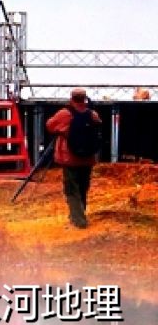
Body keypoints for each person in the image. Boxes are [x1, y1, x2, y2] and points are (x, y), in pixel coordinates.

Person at [46, 89, 103, 229]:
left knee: (72, 189)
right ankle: (79, 214)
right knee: (83, 187)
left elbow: (50, 126)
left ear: (71, 98)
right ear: (85, 99)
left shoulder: (65, 114)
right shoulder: (93, 114)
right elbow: (98, 126)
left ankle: (79, 220)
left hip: (69, 158)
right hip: (88, 158)